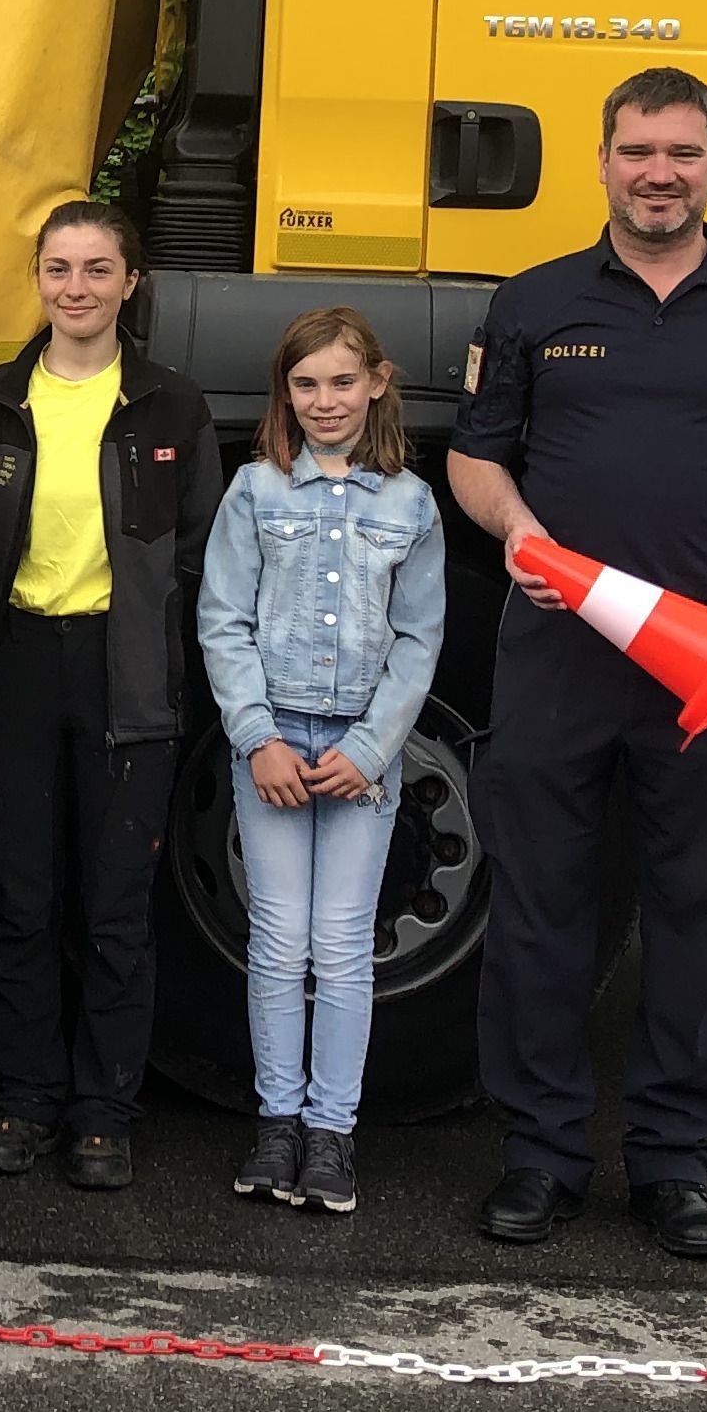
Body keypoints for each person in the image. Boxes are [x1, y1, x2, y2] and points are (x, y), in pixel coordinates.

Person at [446, 65, 707, 1262]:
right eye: (637, 152)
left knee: (691, 911)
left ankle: (675, 1166)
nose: (658, 174)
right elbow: (476, 457)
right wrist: (517, 531)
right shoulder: (533, 302)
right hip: (557, 660)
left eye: (680, 152)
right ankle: (540, 1156)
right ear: (604, 161)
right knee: (540, 910)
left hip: (704, 667)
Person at [0, 201, 221, 1193]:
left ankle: (104, 1112)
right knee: (19, 896)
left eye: (99, 269)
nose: (77, 287)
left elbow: (201, 553)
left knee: (116, 905)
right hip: (16, 663)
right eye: (59, 268)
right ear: (38, 278)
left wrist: (165, 651)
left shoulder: (172, 405)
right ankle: (24, 1100)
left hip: (125, 670)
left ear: (130, 282)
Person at [197, 306, 443, 1217]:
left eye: (342, 381)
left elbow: (419, 639)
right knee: (276, 939)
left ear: (377, 383)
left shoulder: (410, 504)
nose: (325, 400)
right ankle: (277, 1123)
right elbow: (223, 618)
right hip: (273, 745)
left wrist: (371, 749)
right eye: (306, 384)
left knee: (341, 945)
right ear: (286, 392)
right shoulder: (256, 491)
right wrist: (256, 737)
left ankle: (331, 1132)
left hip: (358, 753)